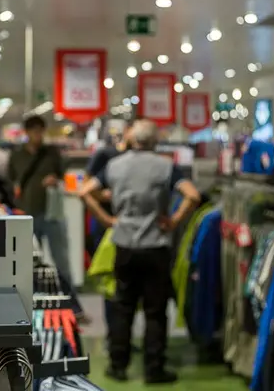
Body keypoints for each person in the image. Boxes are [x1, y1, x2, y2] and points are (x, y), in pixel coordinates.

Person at [79, 119, 201, 384]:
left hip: (124, 244)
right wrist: (174, 221)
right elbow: (192, 195)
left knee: (123, 306)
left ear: (132, 140)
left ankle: (118, 365)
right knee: (155, 311)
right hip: (156, 246)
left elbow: (85, 192)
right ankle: (154, 368)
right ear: (155, 141)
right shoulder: (166, 166)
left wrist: (107, 220)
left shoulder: (115, 166)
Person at [84, 123, 134, 351]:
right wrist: (106, 208)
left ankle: (123, 338)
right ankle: (113, 338)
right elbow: (86, 186)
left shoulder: (139, 160)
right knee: (110, 284)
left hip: (131, 229)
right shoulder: (106, 155)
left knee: (128, 285)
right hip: (108, 229)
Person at [7, 115, 71, 283]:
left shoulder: (51, 153)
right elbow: (10, 180)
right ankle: (34, 298)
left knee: (61, 260)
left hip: (51, 213)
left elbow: (62, 175)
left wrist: (55, 180)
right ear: (27, 132)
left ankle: (71, 300)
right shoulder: (17, 155)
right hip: (27, 213)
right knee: (29, 261)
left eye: (40, 131)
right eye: (34, 131)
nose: (38, 135)